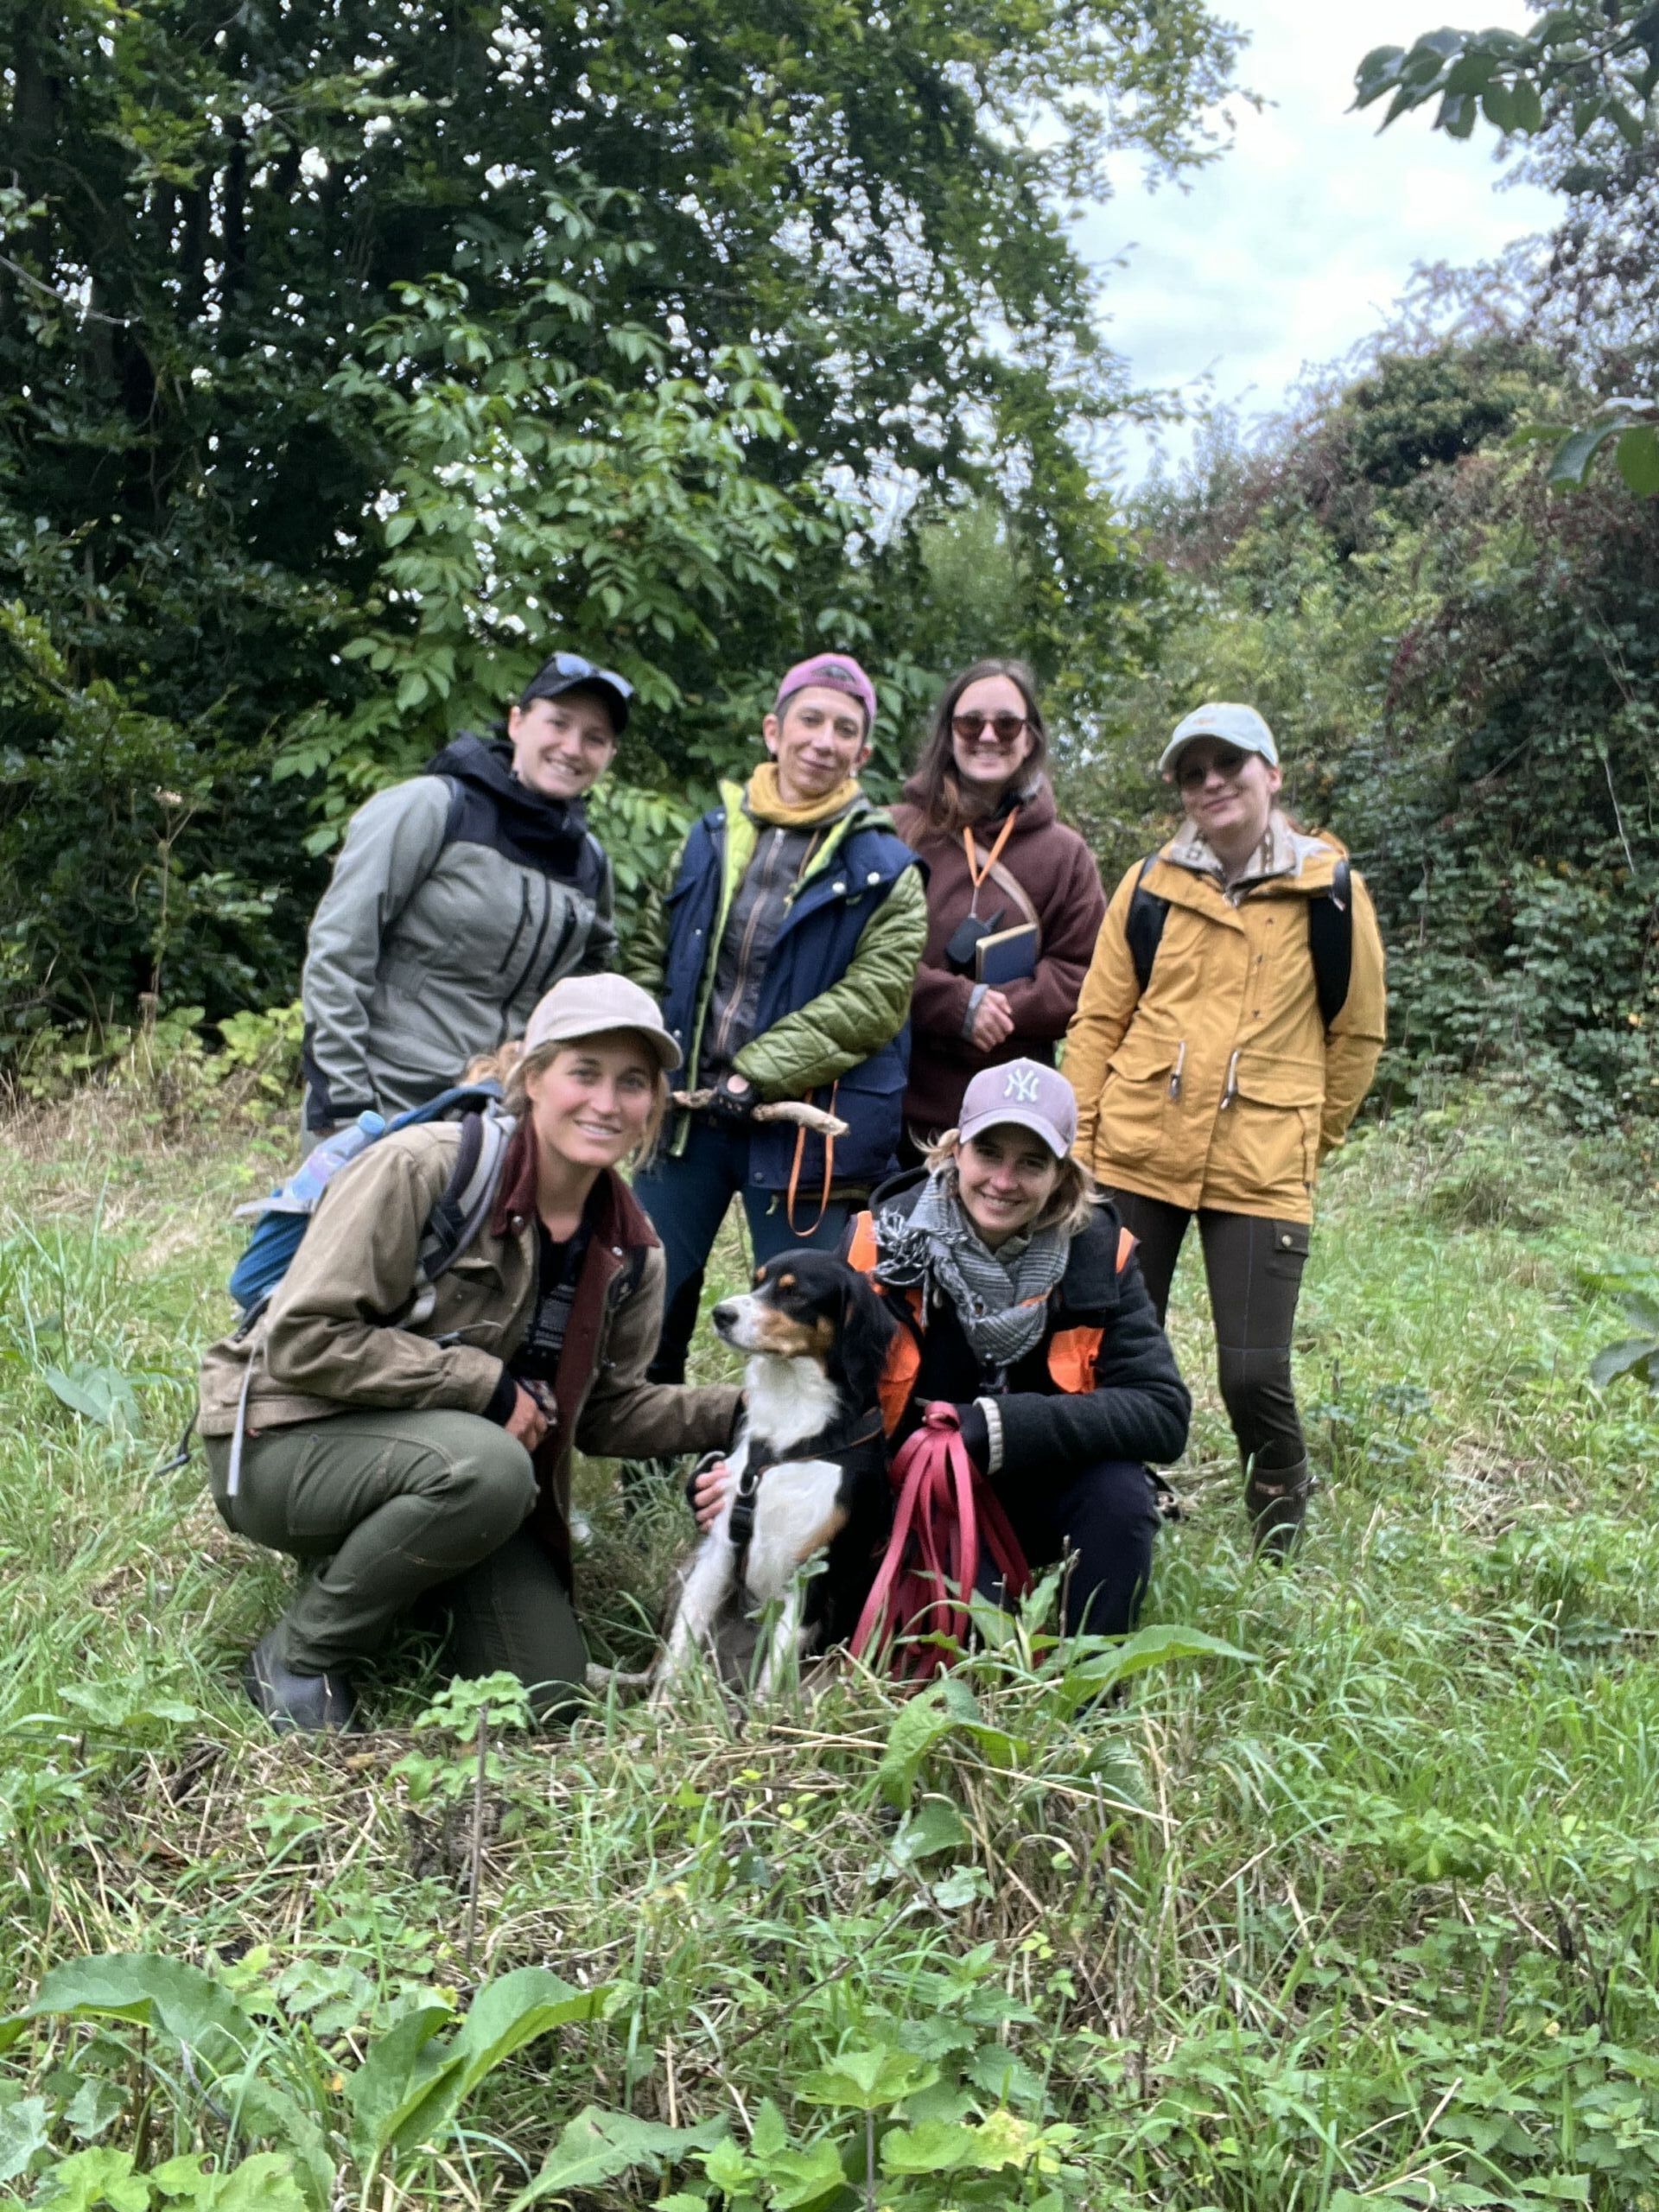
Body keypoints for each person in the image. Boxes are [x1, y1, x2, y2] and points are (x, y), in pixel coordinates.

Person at [198, 976, 741, 1732]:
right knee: (490, 1466)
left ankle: (398, 1570)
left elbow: (607, 1416)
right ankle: (300, 1656)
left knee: (546, 1695)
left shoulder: (631, 1250)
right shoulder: (423, 1167)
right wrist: (482, 1385)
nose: (606, 1102)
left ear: (654, 1102)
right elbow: (303, 1338)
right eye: (584, 1073)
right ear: (533, 1077)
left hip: (448, 1468)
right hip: (285, 1439)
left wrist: (744, 1411)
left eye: (632, 1082)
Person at [690, 1059, 1191, 1642]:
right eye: (988, 1154)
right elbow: (807, 1389)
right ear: (955, 1152)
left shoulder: (1103, 1256)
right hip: (913, 1504)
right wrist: (739, 1470)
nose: (1003, 1181)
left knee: (1121, 1494)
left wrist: (997, 1427)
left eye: (1032, 1163)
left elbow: (1163, 1413)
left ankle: (1095, 1674)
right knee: (970, 1644)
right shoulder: (876, 1245)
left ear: (1062, 1175)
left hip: (1042, 1493)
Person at [1065, 703, 1387, 1554]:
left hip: (1262, 1164)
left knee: (1253, 1373)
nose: (1211, 782)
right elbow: (1098, 1021)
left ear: (1271, 774)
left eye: (1229, 764)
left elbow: (1357, 1036)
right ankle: (1115, 1513)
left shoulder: (1332, 891)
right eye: (1192, 771)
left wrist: (1311, 1137)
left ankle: (1277, 1547)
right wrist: (1080, 1147)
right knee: (1107, 1354)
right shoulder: (1148, 885)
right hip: (1135, 1151)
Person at [631, 652, 929, 1382]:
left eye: (845, 730)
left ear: (862, 753)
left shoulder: (890, 870)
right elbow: (649, 950)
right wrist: (643, 1056)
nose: (824, 741)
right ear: (774, 730)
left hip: (805, 1136)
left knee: (809, 1327)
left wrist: (755, 1074)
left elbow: (876, 999)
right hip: (687, 1119)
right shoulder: (705, 840)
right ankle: (643, 1444)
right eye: (811, 721)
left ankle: (805, 1448)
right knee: (644, 1300)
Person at [300, 651, 632, 1143]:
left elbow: (589, 977)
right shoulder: (432, 807)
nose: (572, 747)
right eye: (558, 723)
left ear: (609, 756)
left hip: (500, 1113)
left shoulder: (589, 862)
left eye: (595, 738)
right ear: (517, 723)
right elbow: (338, 953)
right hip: (384, 1098)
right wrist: (344, 1103)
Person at [892, 658, 1106, 1156]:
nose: (988, 736)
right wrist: (955, 1005)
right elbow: (856, 956)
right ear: (948, 735)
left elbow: (1082, 976)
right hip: (894, 1110)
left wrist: (996, 1009)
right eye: (971, 723)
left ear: (1030, 739)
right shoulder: (896, 832)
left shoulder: (1066, 854)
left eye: (1007, 724)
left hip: (1009, 1126)